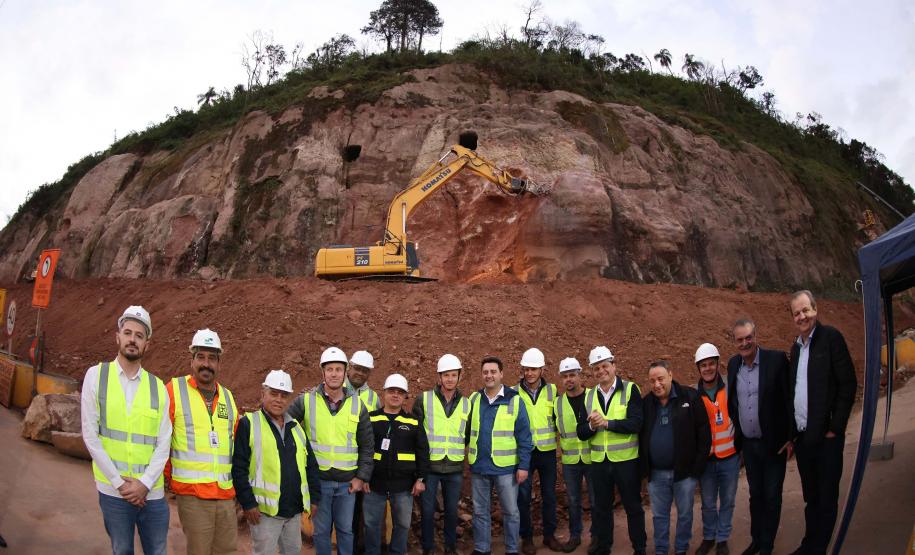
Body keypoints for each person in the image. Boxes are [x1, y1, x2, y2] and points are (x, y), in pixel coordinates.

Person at [80, 305, 171, 555]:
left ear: (147, 344)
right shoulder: (96, 376)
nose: (133, 339)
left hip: (151, 493)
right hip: (113, 491)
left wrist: (144, 484)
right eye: (128, 332)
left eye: (139, 335)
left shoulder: (158, 387)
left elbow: (164, 443)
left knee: (158, 551)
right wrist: (121, 485)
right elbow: (90, 436)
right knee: (122, 551)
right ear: (117, 337)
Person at [787, 290, 857, 555]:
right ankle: (810, 544)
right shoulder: (796, 347)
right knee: (811, 497)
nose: (802, 316)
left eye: (806, 310)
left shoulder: (831, 339)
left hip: (826, 437)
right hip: (805, 438)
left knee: (826, 497)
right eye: (797, 313)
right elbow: (796, 390)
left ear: (815, 309)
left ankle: (819, 548)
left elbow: (847, 384)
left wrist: (834, 427)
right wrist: (793, 435)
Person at [287, 347, 374, 555]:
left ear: (345, 373)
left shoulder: (357, 406)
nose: (334, 373)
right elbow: (284, 427)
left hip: (347, 484)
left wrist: (361, 477)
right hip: (319, 482)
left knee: (346, 530)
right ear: (323, 373)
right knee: (321, 532)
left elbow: (367, 445)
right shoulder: (306, 401)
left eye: (338, 369)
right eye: (330, 369)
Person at [166, 329, 240, 555]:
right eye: (201, 357)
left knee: (226, 551)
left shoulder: (228, 397)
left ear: (219, 363)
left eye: (212, 358)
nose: (206, 364)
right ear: (191, 360)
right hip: (193, 495)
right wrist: (168, 479)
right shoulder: (174, 390)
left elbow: (235, 445)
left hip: (225, 495)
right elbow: (161, 441)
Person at [232, 370, 320, 555]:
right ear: (263, 393)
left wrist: (315, 498)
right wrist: (247, 503)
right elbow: (238, 468)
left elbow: (310, 466)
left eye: (283, 395)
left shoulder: (296, 428)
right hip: (264, 514)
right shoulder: (249, 424)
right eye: (273, 393)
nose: (279, 399)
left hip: (294, 511)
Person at [727, 319, 792, 555]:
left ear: (756, 336)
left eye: (748, 338)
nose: (744, 343)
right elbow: (733, 400)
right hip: (749, 446)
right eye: (739, 339)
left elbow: (788, 398)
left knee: (772, 495)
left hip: (773, 443)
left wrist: (790, 437)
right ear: (734, 341)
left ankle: (767, 545)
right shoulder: (734, 365)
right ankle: (756, 539)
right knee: (756, 495)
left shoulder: (775, 360)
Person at [577, 346, 646, 555]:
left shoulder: (630, 389)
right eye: (596, 368)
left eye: (604, 366)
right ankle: (604, 547)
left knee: (633, 506)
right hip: (599, 462)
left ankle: (639, 548)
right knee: (602, 508)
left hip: (626, 460)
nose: (601, 371)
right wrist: (591, 426)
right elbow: (581, 432)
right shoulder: (588, 397)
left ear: (613, 366)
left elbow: (636, 423)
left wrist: (606, 423)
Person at [640, 360, 711, 555]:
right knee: (659, 517)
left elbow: (704, 433)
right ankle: (661, 550)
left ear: (670, 375)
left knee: (685, 515)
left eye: (661, 379)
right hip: (656, 474)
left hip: (685, 474)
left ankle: (681, 549)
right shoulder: (646, 403)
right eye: (652, 380)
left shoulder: (690, 396)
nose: (657, 384)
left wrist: (696, 470)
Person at [468, 355, 533, 555]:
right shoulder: (474, 399)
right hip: (479, 466)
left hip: (505, 468)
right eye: (486, 372)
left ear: (501, 374)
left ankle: (512, 549)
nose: (489, 376)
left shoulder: (514, 401)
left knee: (511, 512)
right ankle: (482, 548)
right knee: (480, 512)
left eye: (493, 371)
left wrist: (523, 466)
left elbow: (524, 436)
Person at [364, 374, 430, 555]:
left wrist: (420, 479)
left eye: (400, 392)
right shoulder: (371, 419)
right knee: (371, 525)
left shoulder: (413, 422)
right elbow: (362, 450)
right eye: (391, 391)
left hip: (403, 487)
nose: (395, 395)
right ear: (384, 393)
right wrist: (363, 477)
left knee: (402, 525)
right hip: (374, 485)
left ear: (405, 396)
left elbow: (423, 453)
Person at [412, 354, 471, 555]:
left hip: (454, 467)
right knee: (428, 511)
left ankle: (450, 547)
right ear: (439, 377)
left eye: (453, 375)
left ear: (459, 377)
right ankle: (428, 547)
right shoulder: (424, 399)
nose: (450, 379)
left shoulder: (466, 404)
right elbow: (416, 432)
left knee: (452, 511)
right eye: (446, 375)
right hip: (431, 466)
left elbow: (469, 433)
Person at [514, 347, 562, 554]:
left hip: (547, 452)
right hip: (524, 453)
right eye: (527, 369)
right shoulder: (513, 393)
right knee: (523, 497)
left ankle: (549, 535)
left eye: (534, 369)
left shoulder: (552, 391)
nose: (530, 373)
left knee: (549, 495)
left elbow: (559, 419)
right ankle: (527, 538)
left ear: (542, 369)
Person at [694, 343, 739, 555]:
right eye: (704, 365)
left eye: (712, 363)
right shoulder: (694, 395)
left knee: (728, 501)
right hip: (707, 460)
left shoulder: (731, 386)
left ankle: (722, 539)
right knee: (709, 503)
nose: (708, 368)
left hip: (730, 457)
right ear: (698, 368)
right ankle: (709, 537)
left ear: (717, 364)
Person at [553, 357, 593, 553]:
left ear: (580, 375)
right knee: (573, 500)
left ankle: (597, 536)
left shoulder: (593, 397)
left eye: (572, 375)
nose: (569, 379)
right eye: (565, 376)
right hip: (570, 461)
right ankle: (575, 535)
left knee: (596, 498)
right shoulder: (557, 404)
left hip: (593, 458)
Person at [345, 349, 379, 553]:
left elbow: (373, 434)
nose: (360, 373)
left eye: (365, 370)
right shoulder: (333, 388)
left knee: (355, 513)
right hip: (336, 463)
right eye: (357, 368)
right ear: (349, 367)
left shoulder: (373, 397)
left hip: (360, 466)